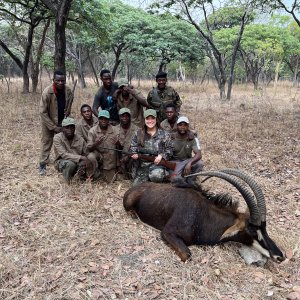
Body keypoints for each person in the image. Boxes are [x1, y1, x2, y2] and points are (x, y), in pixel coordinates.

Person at [39, 70, 74, 175]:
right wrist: (53, 127)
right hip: (48, 121)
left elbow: (70, 101)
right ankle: (42, 164)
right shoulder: (47, 92)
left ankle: (59, 162)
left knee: (61, 141)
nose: (60, 83)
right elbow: (42, 112)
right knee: (47, 141)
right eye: (58, 80)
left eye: (62, 80)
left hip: (62, 120)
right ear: (53, 80)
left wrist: (68, 110)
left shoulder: (68, 91)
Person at [130, 109, 173, 186]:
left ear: (156, 119)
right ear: (144, 120)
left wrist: (161, 156)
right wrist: (134, 154)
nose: (150, 121)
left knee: (156, 176)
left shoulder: (165, 134)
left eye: (152, 118)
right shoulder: (138, 133)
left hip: (158, 165)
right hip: (143, 165)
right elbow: (133, 147)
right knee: (135, 186)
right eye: (147, 119)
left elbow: (169, 149)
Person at [53, 117, 92, 183]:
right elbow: (64, 155)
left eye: (72, 127)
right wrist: (81, 158)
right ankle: (67, 181)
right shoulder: (57, 138)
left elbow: (86, 152)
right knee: (70, 164)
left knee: (89, 160)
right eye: (67, 128)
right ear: (62, 129)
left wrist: (85, 161)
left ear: (75, 128)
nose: (70, 130)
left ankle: (81, 177)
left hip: (77, 161)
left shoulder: (80, 139)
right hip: (61, 161)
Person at [169, 116, 203, 186]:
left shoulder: (192, 137)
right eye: (180, 125)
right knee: (176, 180)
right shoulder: (171, 137)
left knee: (200, 163)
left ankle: (191, 179)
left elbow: (199, 154)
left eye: (185, 125)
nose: (182, 127)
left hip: (186, 161)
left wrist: (189, 163)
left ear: (188, 126)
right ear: (177, 126)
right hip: (175, 162)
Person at [87, 110, 119, 182]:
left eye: (106, 119)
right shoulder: (92, 131)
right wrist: (96, 143)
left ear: (109, 120)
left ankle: (102, 174)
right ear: (98, 119)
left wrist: (118, 143)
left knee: (110, 181)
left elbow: (121, 148)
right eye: (101, 119)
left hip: (110, 160)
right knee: (90, 156)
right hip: (98, 156)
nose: (103, 121)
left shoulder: (115, 130)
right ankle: (93, 172)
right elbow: (89, 148)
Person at [115, 108, 138, 178]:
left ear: (130, 117)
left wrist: (128, 156)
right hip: (118, 157)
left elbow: (139, 146)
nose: (125, 118)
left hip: (131, 156)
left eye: (126, 116)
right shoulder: (114, 129)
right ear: (119, 117)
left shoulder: (137, 129)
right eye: (122, 116)